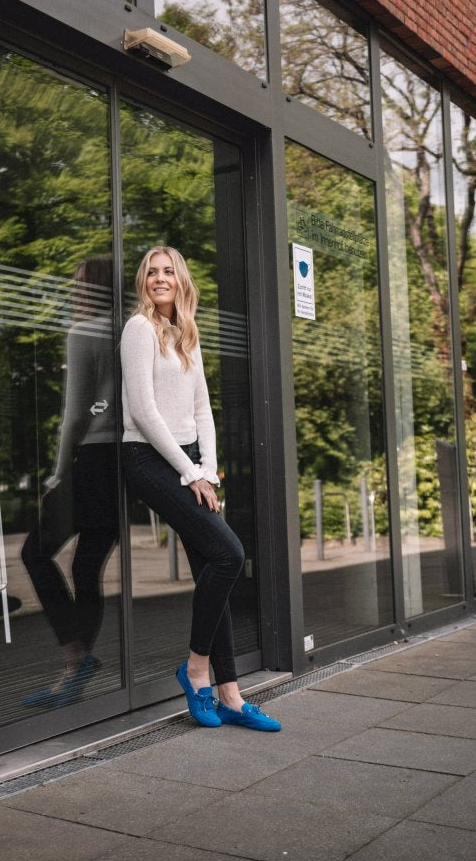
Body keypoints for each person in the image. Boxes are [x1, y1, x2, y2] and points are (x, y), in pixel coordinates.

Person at [121, 246, 281, 731]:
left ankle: (230, 694)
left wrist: (207, 468)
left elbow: (203, 411)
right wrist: (190, 474)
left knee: (216, 564)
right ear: (143, 281)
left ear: (181, 280)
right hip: (148, 458)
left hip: (189, 462)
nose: (160, 278)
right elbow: (145, 413)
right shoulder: (139, 330)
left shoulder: (187, 335)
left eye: (168, 271)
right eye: (152, 272)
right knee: (230, 554)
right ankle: (195, 671)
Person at [21, 257, 118, 707]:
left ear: (96, 288)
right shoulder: (136, 330)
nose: (73, 290)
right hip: (127, 464)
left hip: (93, 462)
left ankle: (75, 658)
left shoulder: (84, 333)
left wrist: (59, 473)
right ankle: (75, 674)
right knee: (85, 569)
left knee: (34, 552)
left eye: (79, 283)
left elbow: (76, 414)